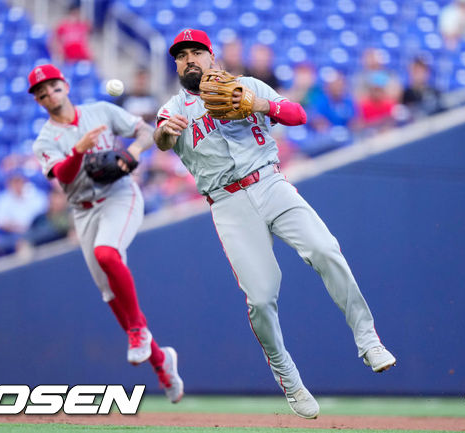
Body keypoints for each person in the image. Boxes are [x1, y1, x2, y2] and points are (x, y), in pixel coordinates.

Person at [153, 28, 396, 419]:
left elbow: (297, 115)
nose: (189, 60)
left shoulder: (246, 85)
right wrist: (163, 133)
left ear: (212, 57)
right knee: (262, 298)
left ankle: (368, 339)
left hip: (269, 182)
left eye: (196, 52)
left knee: (325, 248)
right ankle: (289, 378)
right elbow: (161, 139)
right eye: (181, 56)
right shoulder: (173, 109)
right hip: (228, 203)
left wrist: (258, 105)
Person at [27, 64, 183, 403]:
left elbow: (146, 132)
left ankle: (139, 332)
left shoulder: (100, 111)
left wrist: (132, 152)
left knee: (106, 253)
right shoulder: (45, 140)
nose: (48, 94)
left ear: (65, 86)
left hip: (119, 195)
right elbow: (64, 178)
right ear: (38, 100)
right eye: (41, 92)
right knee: (112, 298)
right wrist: (80, 148)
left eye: (53, 86)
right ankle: (161, 363)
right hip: (83, 211)